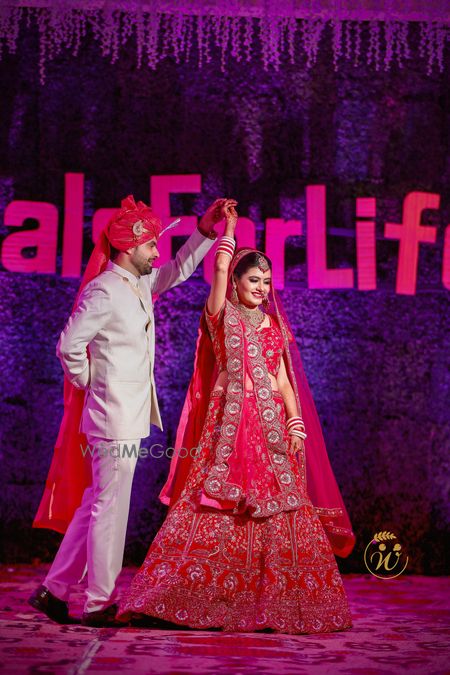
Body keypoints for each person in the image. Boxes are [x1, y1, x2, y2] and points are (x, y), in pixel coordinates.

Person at [116, 200, 356, 634]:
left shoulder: (273, 326)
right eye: (253, 280)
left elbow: (284, 381)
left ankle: (277, 602)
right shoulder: (221, 315)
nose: (261, 288)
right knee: (215, 501)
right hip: (228, 424)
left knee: (280, 506)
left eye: (267, 281)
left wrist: (295, 423)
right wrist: (228, 229)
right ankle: (182, 597)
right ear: (237, 282)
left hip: (270, 430)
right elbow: (220, 268)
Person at [28, 194, 230, 627]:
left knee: (97, 503)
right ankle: (98, 601)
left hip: (124, 415)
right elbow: (69, 345)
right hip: (112, 416)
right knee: (109, 508)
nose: (157, 252)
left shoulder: (136, 283)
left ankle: (54, 590)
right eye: (151, 244)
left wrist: (205, 229)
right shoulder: (104, 290)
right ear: (128, 246)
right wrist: (91, 383)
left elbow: (178, 269)